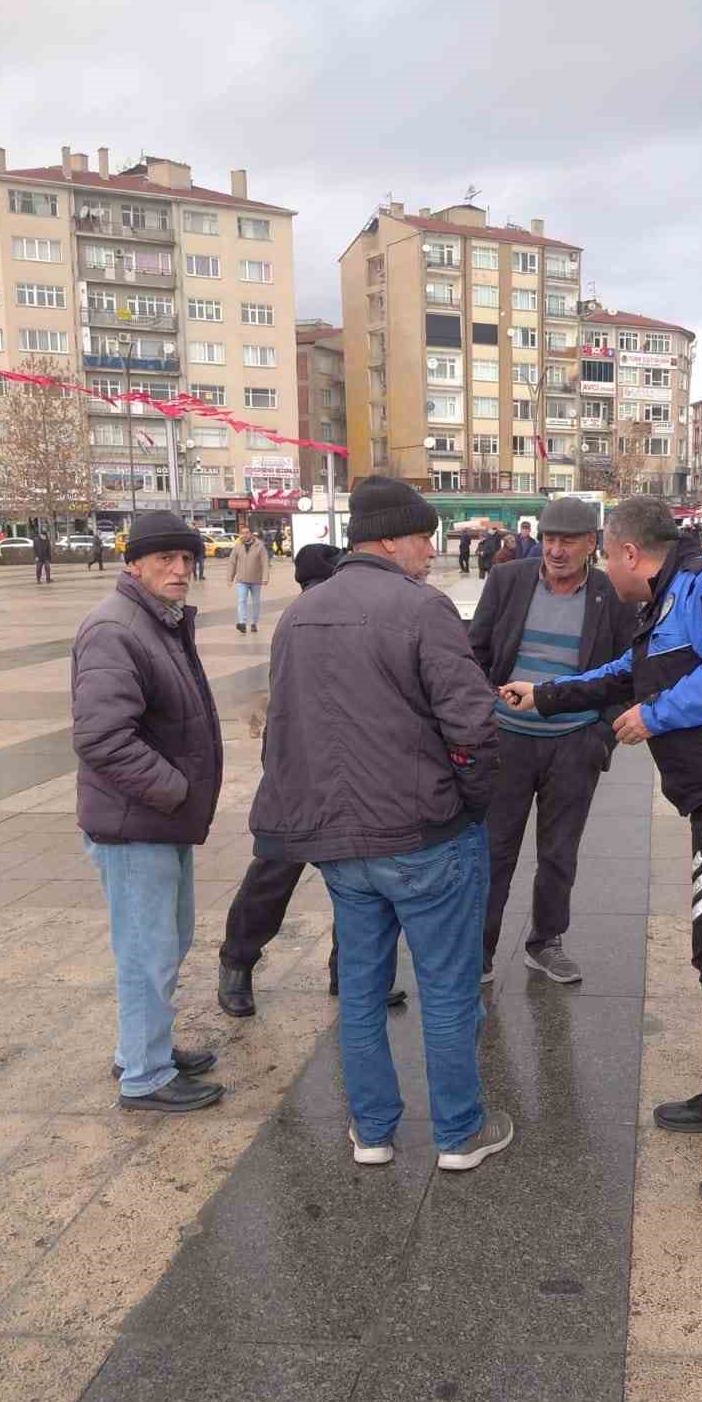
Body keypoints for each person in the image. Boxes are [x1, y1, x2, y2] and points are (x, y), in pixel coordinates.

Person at [502, 496, 702, 1208]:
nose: (605, 570)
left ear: (627, 553)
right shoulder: (666, 605)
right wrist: (542, 696)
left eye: (606, 556)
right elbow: (622, 675)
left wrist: (657, 715)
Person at [249, 475, 511, 1172]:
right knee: (449, 989)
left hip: (339, 845)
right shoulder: (422, 609)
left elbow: (282, 733)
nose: (433, 550)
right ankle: (458, 1133)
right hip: (424, 837)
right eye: (425, 537)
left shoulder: (297, 615)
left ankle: (371, 1132)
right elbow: (474, 724)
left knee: (361, 992)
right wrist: (473, 800)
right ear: (392, 539)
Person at [73, 511, 224, 1112]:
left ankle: (144, 1046)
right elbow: (102, 736)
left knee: (166, 941)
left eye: (186, 559)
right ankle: (144, 1075)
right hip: (136, 824)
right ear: (133, 562)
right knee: (146, 952)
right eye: (165, 558)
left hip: (157, 821)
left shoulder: (155, 622)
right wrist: (174, 790)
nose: (180, 569)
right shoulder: (117, 628)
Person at [217, 542, 407, 1017]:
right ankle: (236, 963)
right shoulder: (303, 620)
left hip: (349, 774)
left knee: (358, 882)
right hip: (298, 776)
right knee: (274, 877)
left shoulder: (341, 615)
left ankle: (352, 975)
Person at [469, 495, 637, 986]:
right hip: (508, 742)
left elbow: (630, 669)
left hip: (573, 743)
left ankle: (546, 942)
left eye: (567, 541)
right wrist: (484, 711)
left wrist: (599, 734)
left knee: (559, 851)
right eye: (549, 539)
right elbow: (474, 652)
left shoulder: (611, 594)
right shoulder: (507, 580)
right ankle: (479, 948)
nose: (556, 550)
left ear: (591, 544)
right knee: (494, 848)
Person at [227, 527, 269, 633]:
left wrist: (265, 577)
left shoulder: (260, 546)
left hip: (256, 580)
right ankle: (242, 623)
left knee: (256, 602)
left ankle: (254, 623)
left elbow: (265, 563)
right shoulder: (237, 546)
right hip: (241, 580)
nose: (244, 535)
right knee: (241, 600)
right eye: (242, 533)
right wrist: (230, 578)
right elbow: (232, 563)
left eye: (246, 533)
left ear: (251, 534)